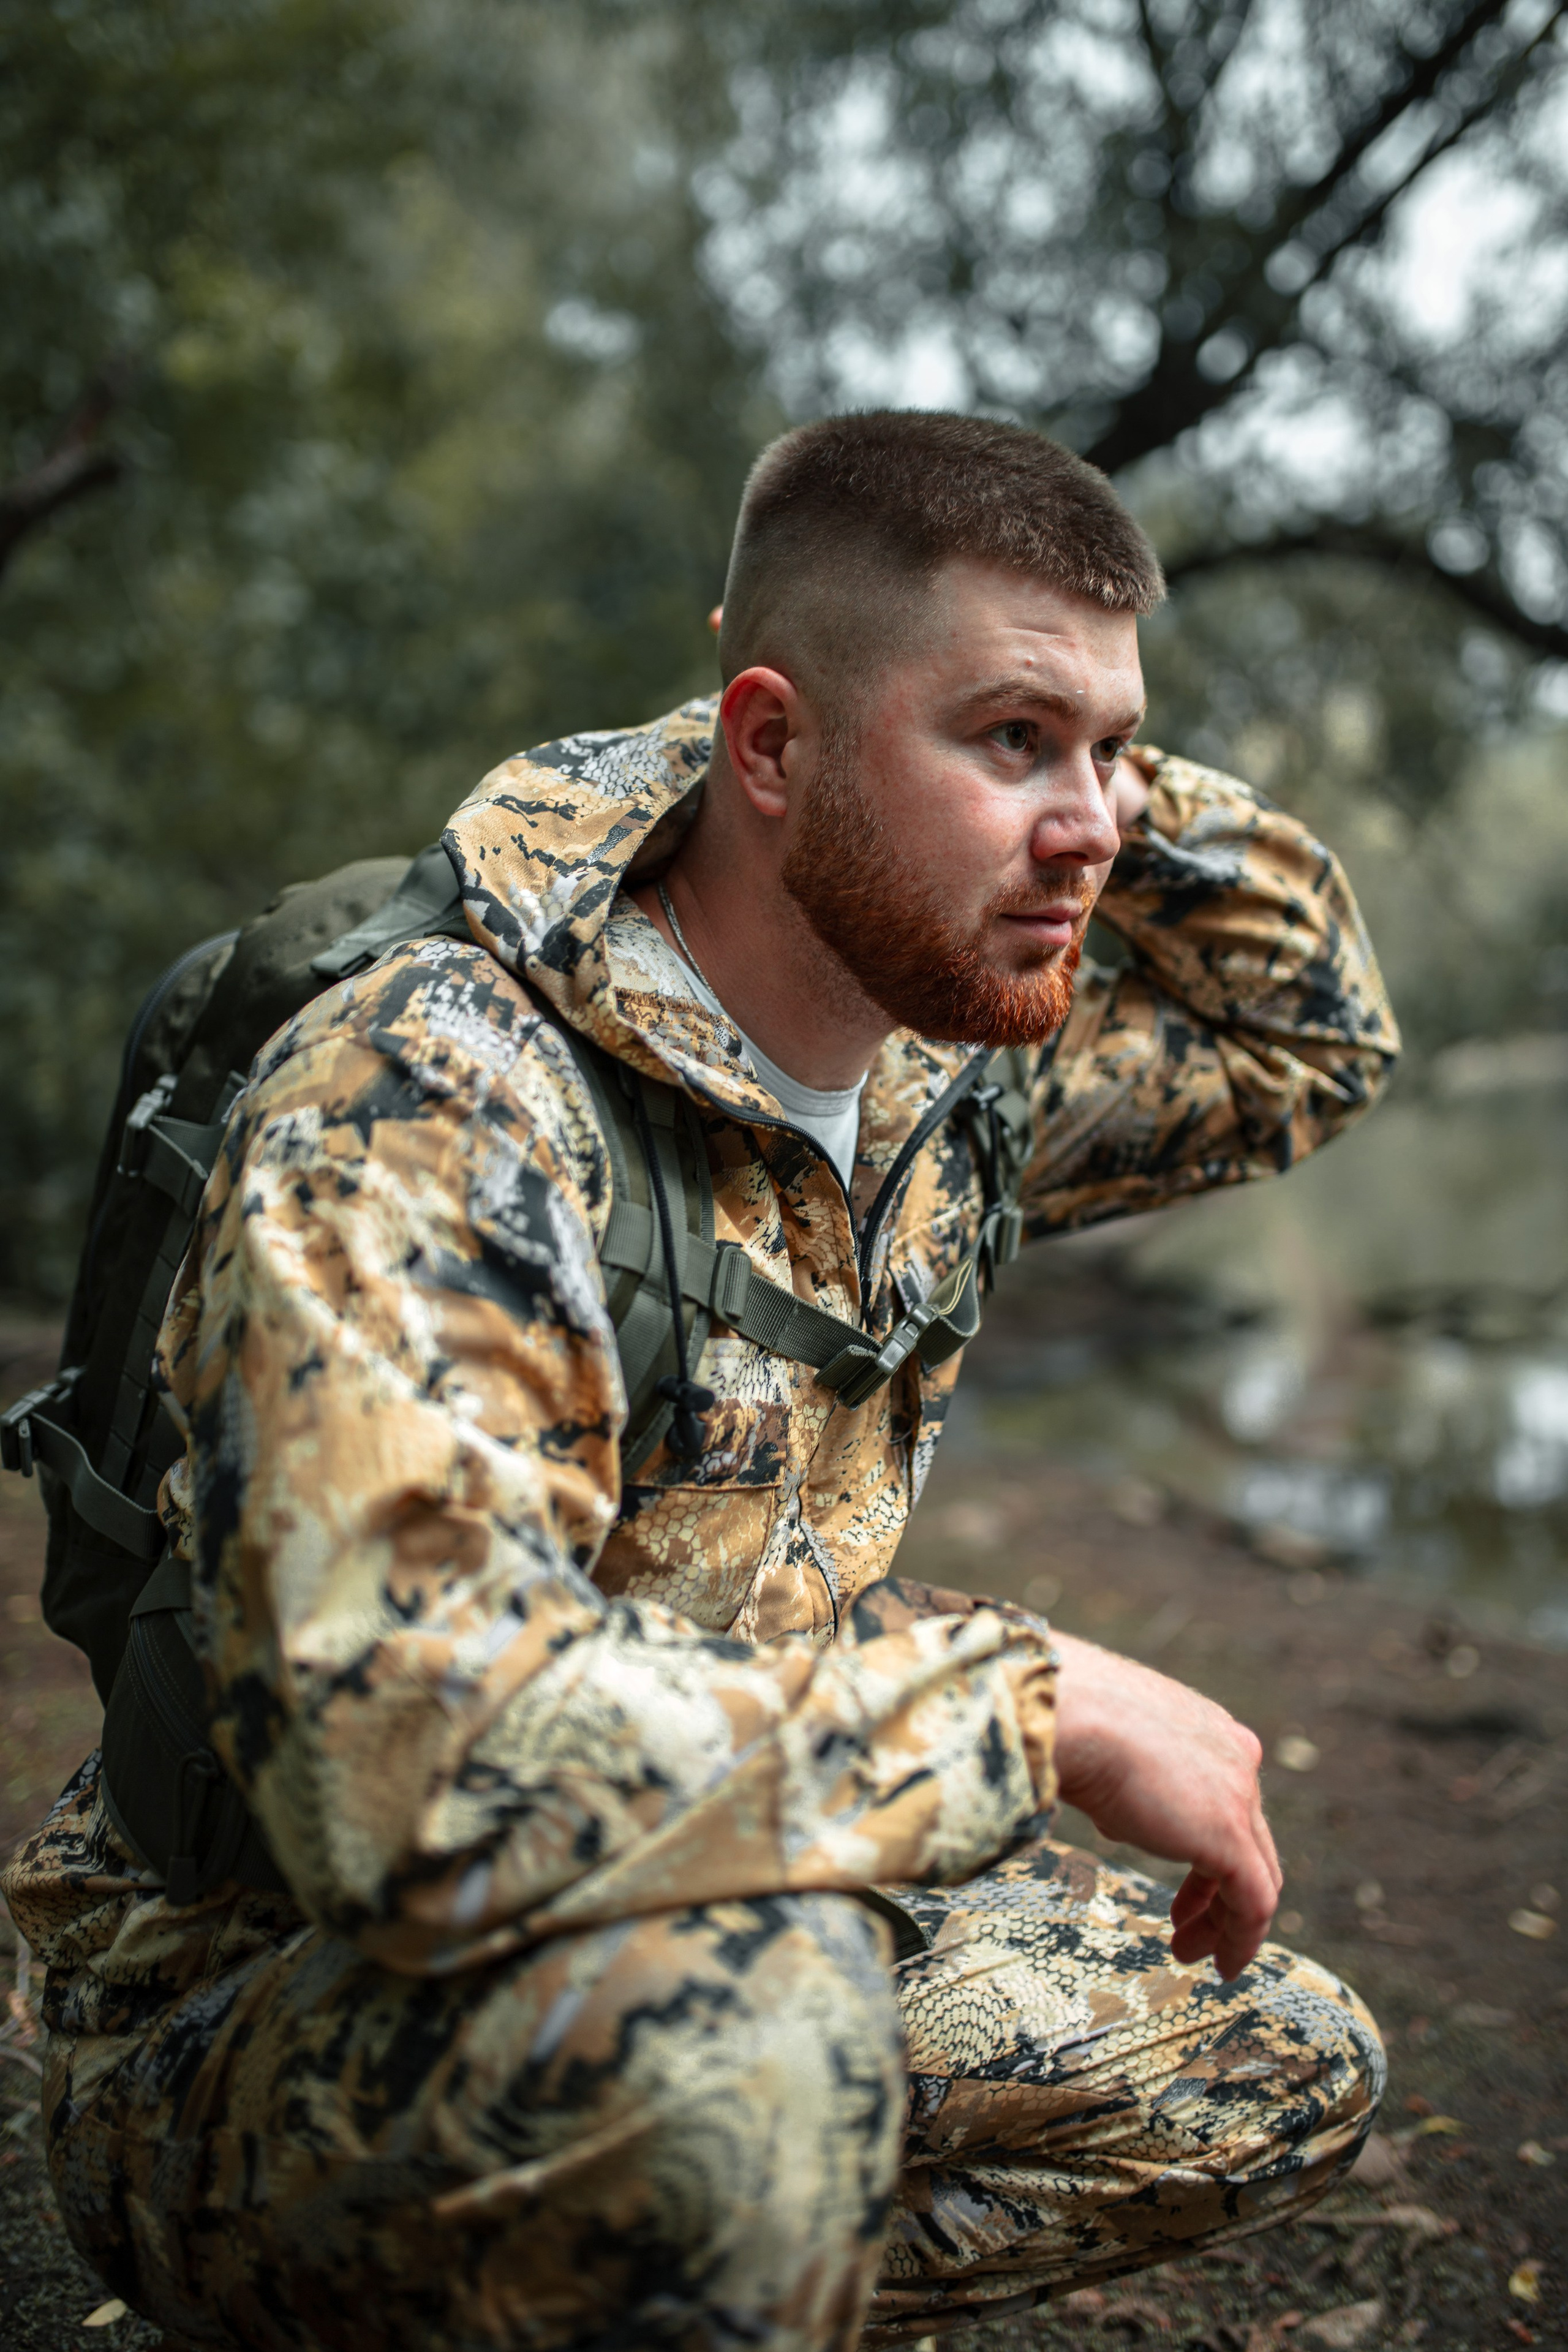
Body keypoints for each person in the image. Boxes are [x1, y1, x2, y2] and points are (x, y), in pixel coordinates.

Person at [4, 411, 1398, 2352]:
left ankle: (630, 2275)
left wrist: (1056, 772)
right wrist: (1025, 1706)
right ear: (763, 744)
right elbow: (401, 1783)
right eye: (1012, 740)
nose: (1093, 822)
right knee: (748, 2056)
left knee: (1269, 2054)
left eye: (1116, 746)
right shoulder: (435, 1089)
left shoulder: (936, 1076)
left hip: (702, 1893)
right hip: (267, 2009)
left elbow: (1304, 1028)